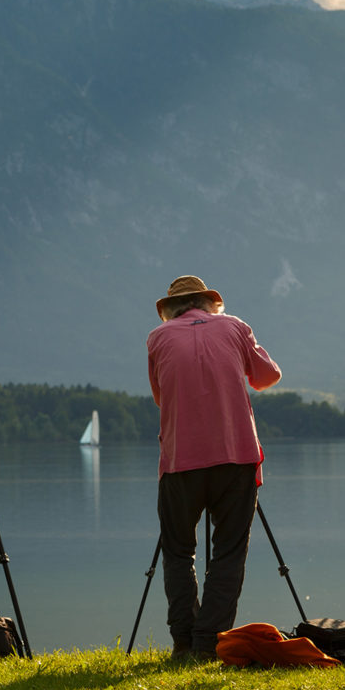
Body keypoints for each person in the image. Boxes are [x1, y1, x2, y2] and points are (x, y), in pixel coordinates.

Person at [147, 274, 281, 660]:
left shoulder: (157, 338)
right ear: (209, 303)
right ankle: (209, 644)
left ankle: (184, 642)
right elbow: (269, 377)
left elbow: (161, 396)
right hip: (235, 457)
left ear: (170, 309)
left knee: (177, 552)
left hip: (179, 462)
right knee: (228, 553)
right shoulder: (236, 327)